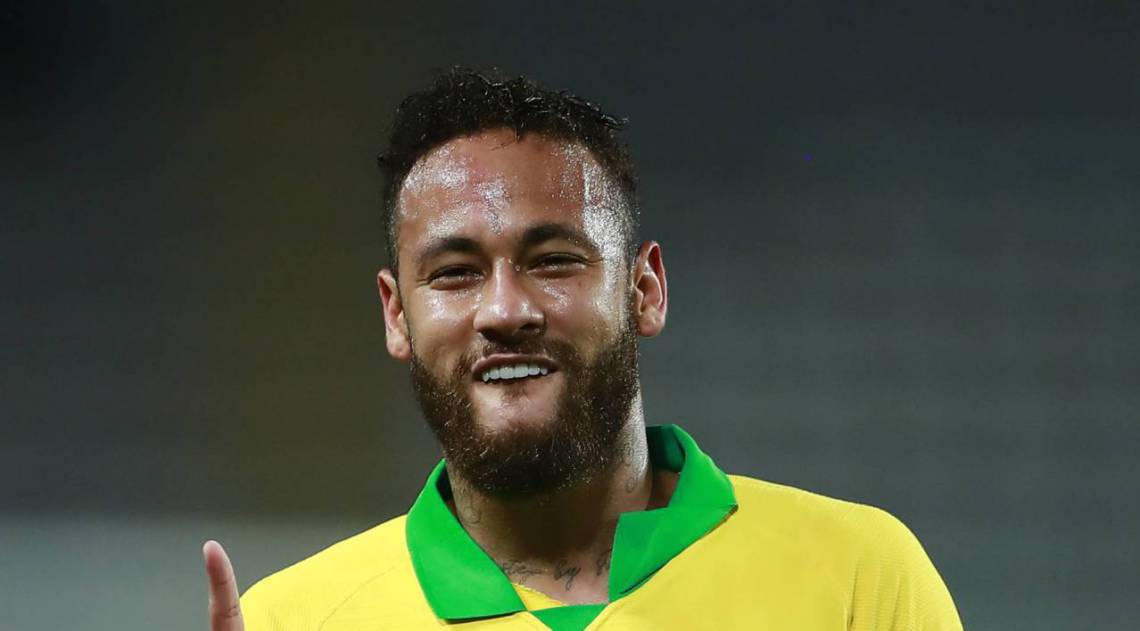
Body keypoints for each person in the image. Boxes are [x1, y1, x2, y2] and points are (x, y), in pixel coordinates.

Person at [202, 68, 963, 630]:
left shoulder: (860, 578)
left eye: (554, 259)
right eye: (456, 273)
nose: (504, 309)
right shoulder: (291, 620)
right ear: (397, 315)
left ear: (645, 290)